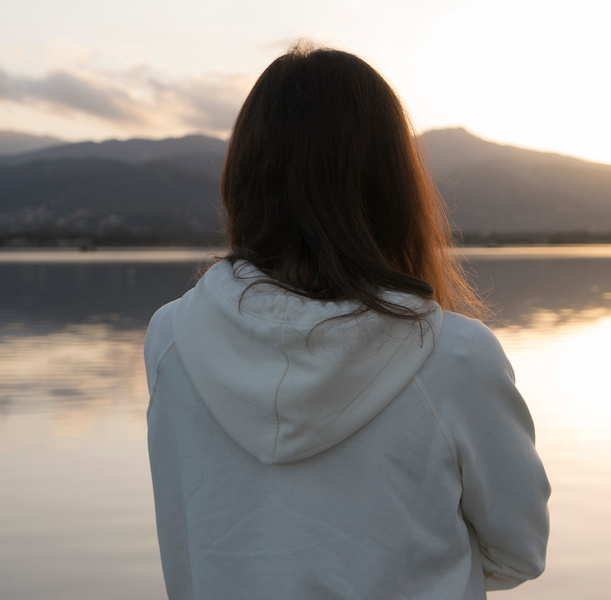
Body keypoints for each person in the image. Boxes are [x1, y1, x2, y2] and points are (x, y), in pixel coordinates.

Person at [143, 43, 550, 600]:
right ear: (393, 185)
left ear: (243, 177)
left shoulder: (170, 339)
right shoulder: (454, 353)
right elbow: (518, 552)